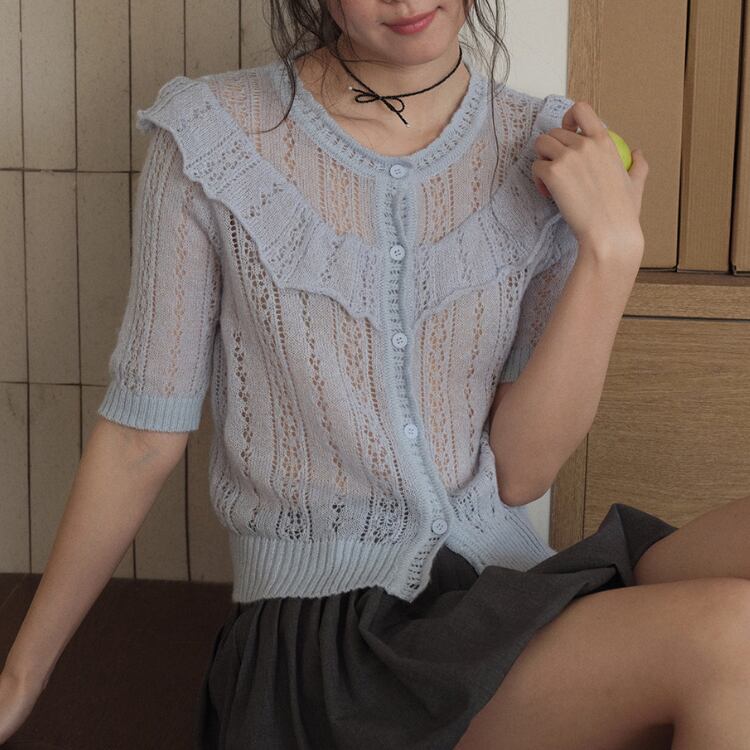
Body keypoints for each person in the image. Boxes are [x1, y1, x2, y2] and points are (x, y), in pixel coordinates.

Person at [3, 2, 750, 748]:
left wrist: (610, 255)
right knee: (730, 639)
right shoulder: (210, 137)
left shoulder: (549, 148)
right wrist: (21, 676)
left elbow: (521, 473)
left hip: (496, 589)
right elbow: (139, 438)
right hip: (332, 640)